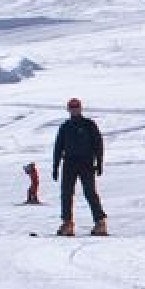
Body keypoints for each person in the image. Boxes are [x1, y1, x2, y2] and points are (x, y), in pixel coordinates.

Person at [52, 97, 107, 236]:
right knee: (66, 194)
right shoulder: (65, 126)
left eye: (76, 107)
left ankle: (100, 223)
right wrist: (55, 166)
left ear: (80, 108)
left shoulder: (89, 124)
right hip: (69, 163)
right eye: (72, 107)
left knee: (90, 193)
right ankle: (67, 224)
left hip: (86, 163)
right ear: (68, 109)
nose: (74, 109)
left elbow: (98, 144)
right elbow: (58, 147)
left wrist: (99, 162)